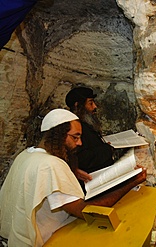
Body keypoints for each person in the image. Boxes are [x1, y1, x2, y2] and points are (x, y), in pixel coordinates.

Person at [0, 109, 146, 247]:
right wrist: (131, 182)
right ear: (58, 135)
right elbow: (86, 211)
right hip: (46, 237)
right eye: (75, 137)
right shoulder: (50, 165)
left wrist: (72, 171)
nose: (80, 143)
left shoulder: (27, 155)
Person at [65, 86, 115, 182]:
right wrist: (107, 149)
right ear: (77, 105)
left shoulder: (86, 124)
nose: (95, 106)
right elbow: (83, 159)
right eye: (90, 103)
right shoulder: (75, 128)